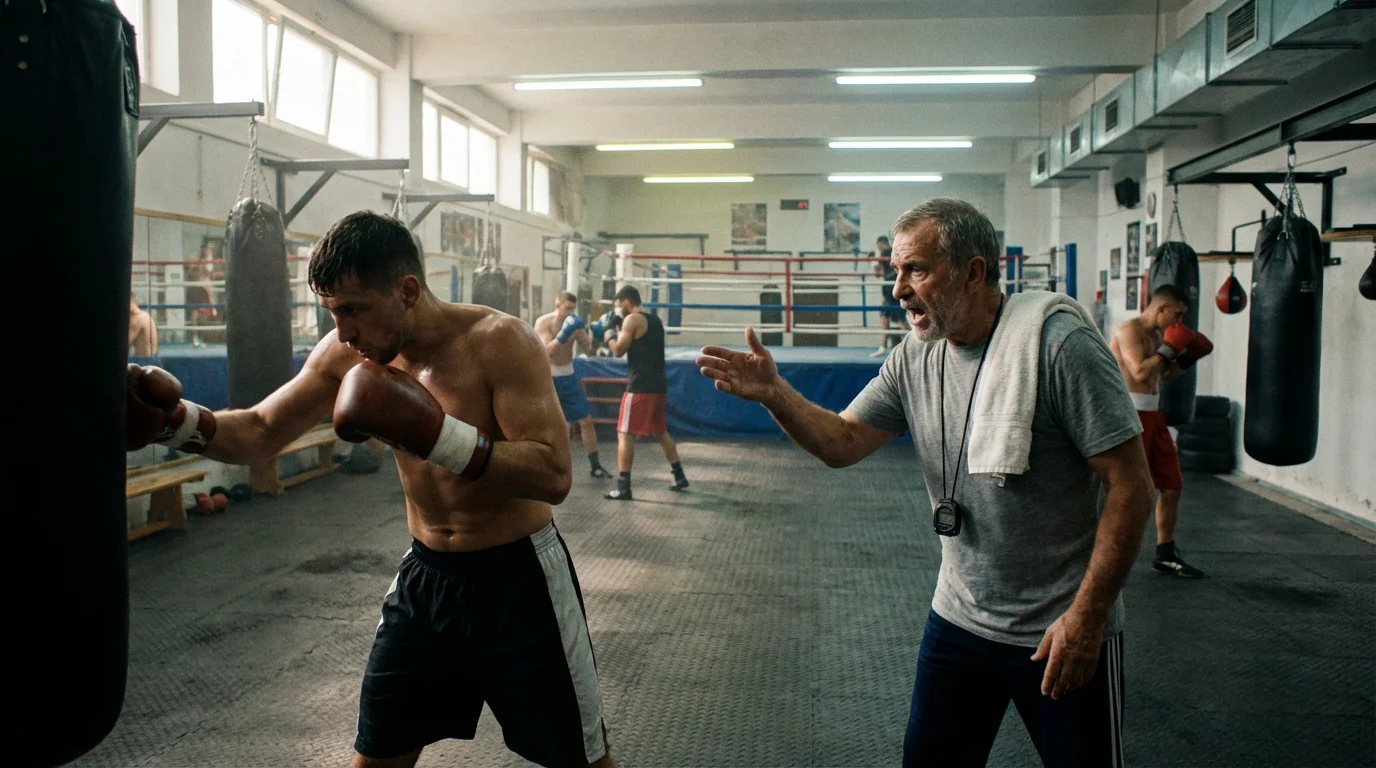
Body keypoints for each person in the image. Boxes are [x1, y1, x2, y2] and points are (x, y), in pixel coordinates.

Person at [125, 212, 611, 768]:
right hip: (427, 582)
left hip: (521, 582)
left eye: (353, 310)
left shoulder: (499, 343)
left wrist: (436, 436)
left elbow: (553, 474)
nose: (343, 331)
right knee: (375, 760)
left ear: (407, 291)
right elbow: (261, 429)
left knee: (583, 761)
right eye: (332, 312)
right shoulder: (346, 355)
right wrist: (177, 424)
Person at [698, 198, 1154, 767]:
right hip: (961, 620)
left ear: (973, 270)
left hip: (1060, 630)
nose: (898, 289)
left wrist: (1087, 620)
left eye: (916, 269)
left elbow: (1132, 485)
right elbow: (841, 442)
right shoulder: (914, 357)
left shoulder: (1057, 345)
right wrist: (774, 394)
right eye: (895, 271)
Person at [1110, 285, 1213, 579]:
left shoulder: (1158, 335)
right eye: (1176, 314)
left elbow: (1164, 375)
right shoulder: (1129, 330)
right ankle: (1110, 553)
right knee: (1131, 490)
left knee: (1172, 485)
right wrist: (1170, 349)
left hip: (1154, 415)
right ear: (1160, 308)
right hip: (1129, 415)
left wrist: (1187, 357)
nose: (1178, 322)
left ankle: (1165, 553)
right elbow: (1141, 372)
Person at [601, 285, 688, 500]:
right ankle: (679, 476)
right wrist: (620, 326)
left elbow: (618, 350)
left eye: (619, 305)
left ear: (626, 301)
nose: (619, 309)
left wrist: (609, 333)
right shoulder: (654, 320)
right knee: (660, 431)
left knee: (625, 434)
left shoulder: (632, 320)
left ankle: (623, 487)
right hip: (659, 386)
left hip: (640, 388)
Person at [535, 290, 612, 479]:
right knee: (547, 424)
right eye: (566, 308)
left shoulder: (576, 325)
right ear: (557, 305)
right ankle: (542, 465)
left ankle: (595, 466)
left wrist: (598, 335)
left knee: (586, 421)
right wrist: (563, 334)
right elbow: (546, 352)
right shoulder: (543, 322)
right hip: (548, 379)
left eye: (572, 309)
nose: (569, 312)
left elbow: (589, 350)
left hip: (568, 377)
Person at [870, 234, 910, 357]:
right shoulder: (895, 253)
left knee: (898, 319)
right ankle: (883, 346)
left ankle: (913, 347)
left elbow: (879, 273)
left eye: (878, 246)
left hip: (891, 291)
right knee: (886, 319)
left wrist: (875, 265)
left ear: (881, 243)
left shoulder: (887, 253)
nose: (879, 248)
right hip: (889, 290)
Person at [129, 293, 158, 357]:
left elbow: (126, 343)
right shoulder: (144, 315)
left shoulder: (137, 318)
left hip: (144, 360)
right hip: (152, 359)